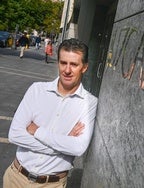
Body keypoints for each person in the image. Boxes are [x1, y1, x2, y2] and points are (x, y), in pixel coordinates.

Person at [3, 38, 98, 188]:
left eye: (74, 64)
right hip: (16, 178)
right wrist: (63, 143)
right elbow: (15, 134)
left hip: (51, 184)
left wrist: (37, 131)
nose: (67, 70)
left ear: (84, 67)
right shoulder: (37, 90)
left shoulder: (89, 102)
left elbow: (78, 147)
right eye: (63, 63)